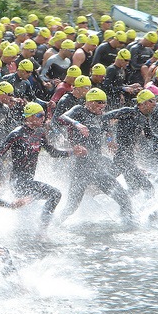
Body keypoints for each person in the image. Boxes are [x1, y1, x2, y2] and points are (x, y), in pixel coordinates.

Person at [0, 102, 85, 233]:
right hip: (18, 182)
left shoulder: (40, 133)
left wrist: (72, 151)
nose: (43, 118)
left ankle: (33, 230)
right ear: (29, 118)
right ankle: (42, 231)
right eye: (39, 115)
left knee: (43, 201)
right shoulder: (16, 134)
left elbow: (53, 152)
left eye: (43, 115)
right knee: (55, 194)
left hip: (29, 181)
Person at [58, 88, 134, 225]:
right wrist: (78, 124)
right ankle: (51, 225)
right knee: (71, 207)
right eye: (99, 102)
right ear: (90, 102)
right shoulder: (79, 110)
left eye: (104, 102)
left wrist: (111, 142)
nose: (103, 105)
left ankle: (128, 224)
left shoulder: (100, 116)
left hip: (96, 167)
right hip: (80, 169)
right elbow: (62, 117)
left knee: (124, 198)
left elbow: (108, 130)